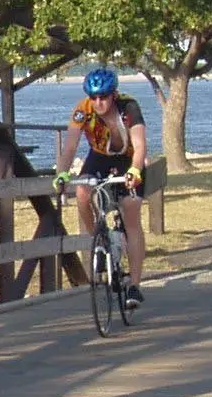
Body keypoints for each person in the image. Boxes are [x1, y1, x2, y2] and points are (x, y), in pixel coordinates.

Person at [52, 67, 149, 310]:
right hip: (99, 157)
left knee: (131, 210)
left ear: (113, 95)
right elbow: (71, 148)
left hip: (128, 159)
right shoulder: (82, 110)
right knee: (83, 192)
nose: (98, 103)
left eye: (103, 97)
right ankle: (98, 238)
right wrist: (62, 173)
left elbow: (139, 146)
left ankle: (134, 284)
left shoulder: (129, 108)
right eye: (93, 97)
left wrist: (135, 170)